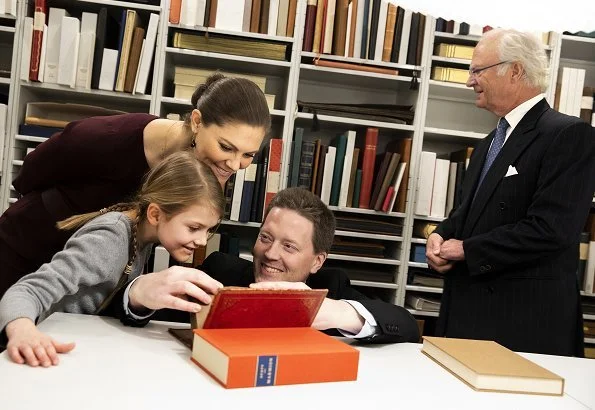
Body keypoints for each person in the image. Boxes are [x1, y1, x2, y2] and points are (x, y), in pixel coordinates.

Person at [0, 73, 270, 298]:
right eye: (226, 147)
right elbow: (32, 170)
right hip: (26, 242)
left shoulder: (210, 168)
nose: (235, 165)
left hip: (87, 274)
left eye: (248, 155)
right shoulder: (109, 138)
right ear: (197, 122)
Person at [425, 29, 595, 356]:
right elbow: (468, 213)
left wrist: (467, 250)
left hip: (522, 328)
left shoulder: (569, 135)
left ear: (514, 70)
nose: (469, 81)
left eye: (477, 71)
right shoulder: (490, 142)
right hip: (466, 319)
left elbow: (552, 230)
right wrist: (440, 235)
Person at [0, 151, 226, 367]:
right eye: (194, 228)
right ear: (155, 214)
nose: (202, 241)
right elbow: (26, 291)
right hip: (49, 352)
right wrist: (22, 330)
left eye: (208, 230)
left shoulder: (142, 236)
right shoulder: (111, 239)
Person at [126, 187, 420, 344]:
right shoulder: (220, 270)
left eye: (289, 246)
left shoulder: (332, 287)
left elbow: (406, 326)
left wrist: (337, 312)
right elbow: (143, 318)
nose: (270, 254)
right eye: (265, 237)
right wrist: (137, 295)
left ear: (317, 261)